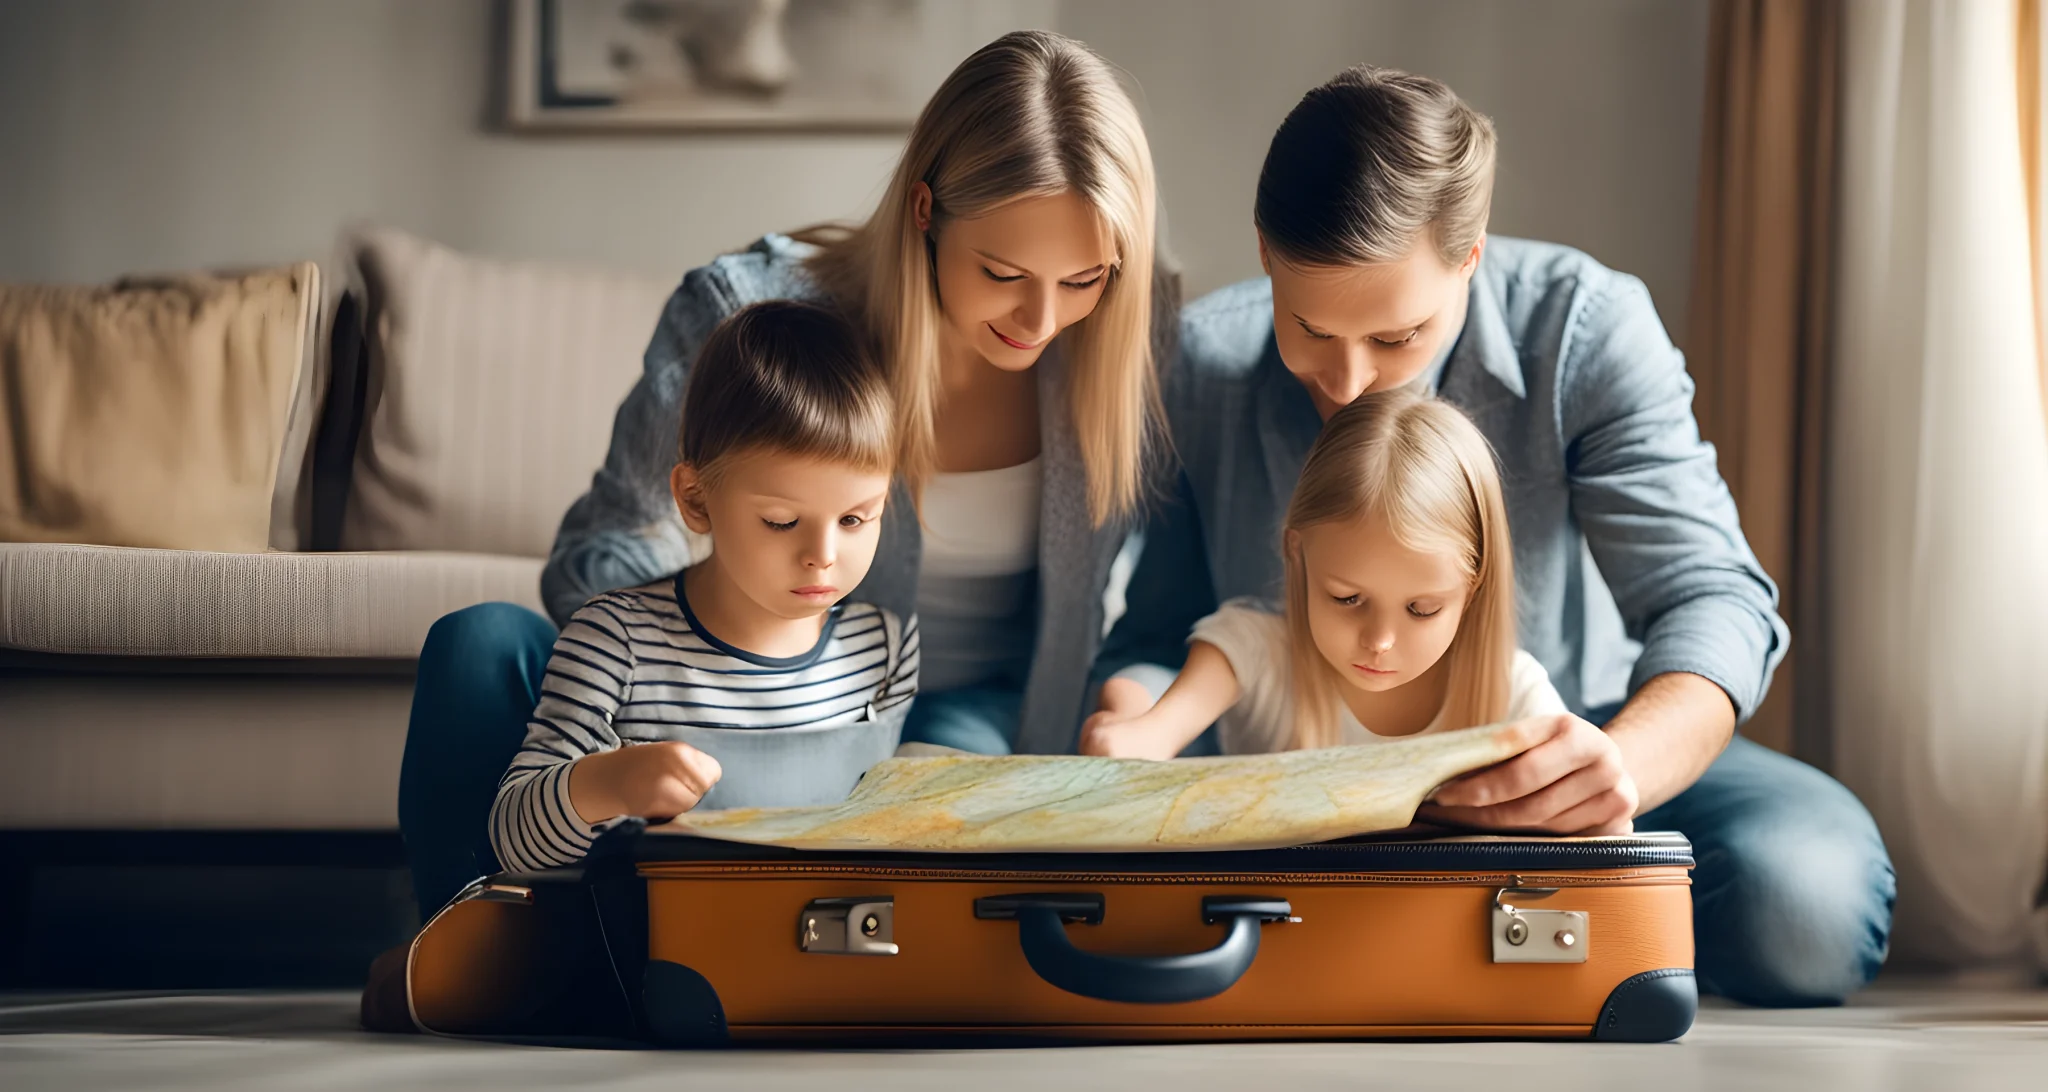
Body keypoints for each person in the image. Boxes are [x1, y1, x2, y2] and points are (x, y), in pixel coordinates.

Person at [1096, 65, 1894, 1007]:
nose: (1348, 384)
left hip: (1581, 735)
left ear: (1469, 256)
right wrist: (1132, 720)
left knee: (1805, 907)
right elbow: (1161, 633)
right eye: (1309, 329)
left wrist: (1613, 771)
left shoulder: (1585, 332)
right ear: (1267, 253)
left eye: (1397, 338)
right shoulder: (1198, 365)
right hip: (1299, 773)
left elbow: (1712, 598)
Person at [398, 29, 1167, 920]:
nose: (1043, 318)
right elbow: (599, 557)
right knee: (483, 643)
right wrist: (739, 675)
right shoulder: (757, 319)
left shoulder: (1123, 346)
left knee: (935, 766)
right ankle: (457, 949)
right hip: (715, 698)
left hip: (959, 727)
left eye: (1084, 278)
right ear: (925, 210)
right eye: (1003, 272)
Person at [489, 301, 919, 873]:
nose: (823, 556)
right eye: (781, 522)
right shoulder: (616, 642)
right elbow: (513, 844)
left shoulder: (886, 648)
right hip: (655, 951)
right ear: (696, 499)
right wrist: (607, 782)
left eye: (855, 519)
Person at [1081, 388, 1567, 762]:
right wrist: (1131, 720)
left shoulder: (1515, 690)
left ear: (1474, 586)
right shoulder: (1251, 650)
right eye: (1347, 599)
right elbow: (1157, 730)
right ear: (1297, 552)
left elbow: (1598, 832)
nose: (1379, 640)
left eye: (1422, 609)